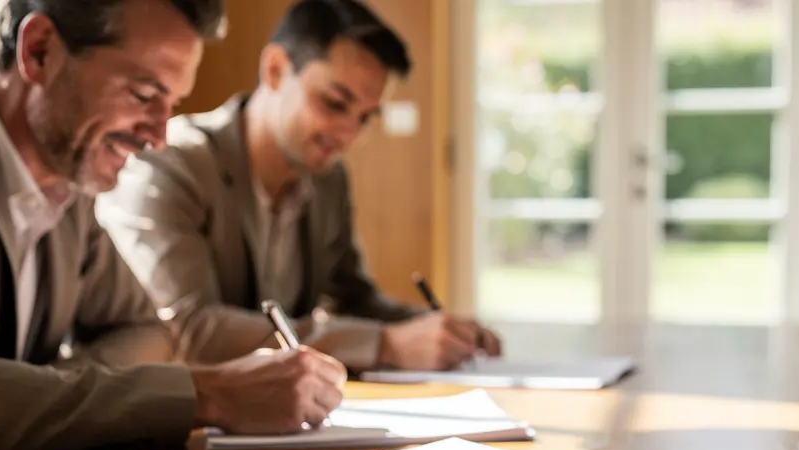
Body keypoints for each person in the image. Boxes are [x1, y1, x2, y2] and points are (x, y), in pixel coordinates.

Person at [0, 0, 347, 450]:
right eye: (144, 94)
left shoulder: (66, 182)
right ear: (40, 51)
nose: (157, 137)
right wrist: (207, 394)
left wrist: (3, 394)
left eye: (170, 103)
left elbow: (146, 333)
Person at [97, 0, 503, 374]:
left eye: (365, 117)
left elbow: (356, 298)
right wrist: (384, 346)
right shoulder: (170, 164)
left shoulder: (328, 179)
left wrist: (433, 329)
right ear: (275, 69)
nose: (348, 134)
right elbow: (190, 331)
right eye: (335, 103)